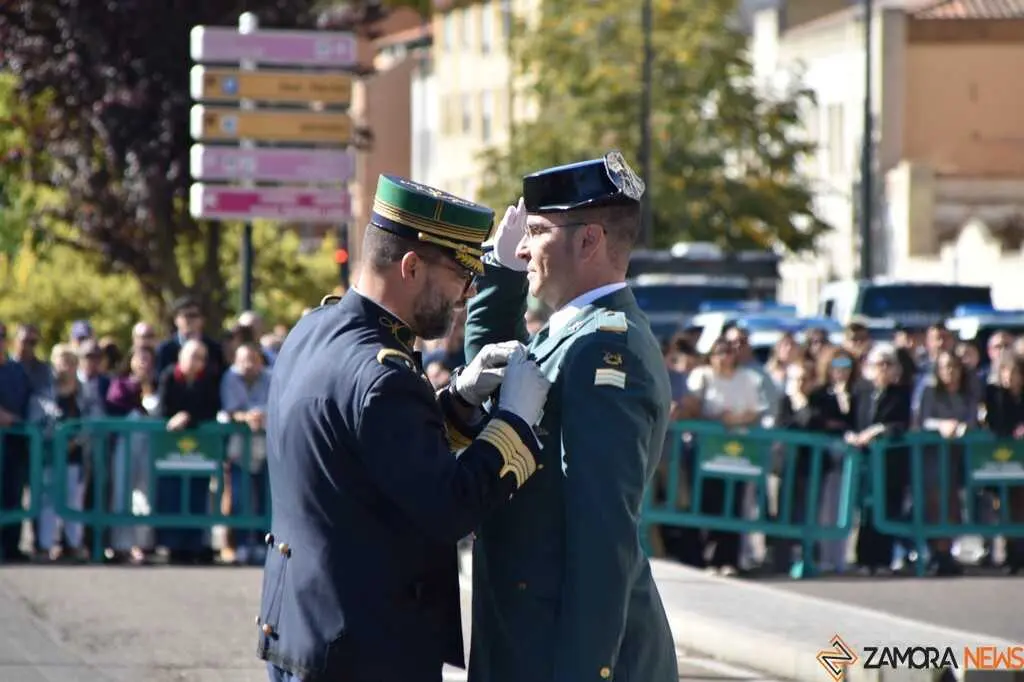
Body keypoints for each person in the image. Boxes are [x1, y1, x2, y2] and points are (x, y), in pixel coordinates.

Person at [256, 174, 551, 682]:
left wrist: (456, 401)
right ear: (411, 266)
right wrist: (515, 422)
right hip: (366, 649)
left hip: (307, 628)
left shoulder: (315, 329)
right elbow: (450, 506)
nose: (464, 296)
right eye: (460, 276)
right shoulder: (382, 374)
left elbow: (365, 452)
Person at [463, 151, 678, 682]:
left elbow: (603, 537)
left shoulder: (607, 349)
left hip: (556, 648)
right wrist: (503, 277)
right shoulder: (573, 332)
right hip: (524, 633)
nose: (522, 246)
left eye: (536, 231)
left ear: (589, 241)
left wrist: (586, 670)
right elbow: (502, 384)